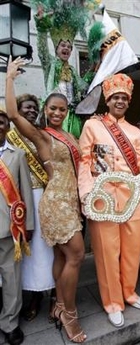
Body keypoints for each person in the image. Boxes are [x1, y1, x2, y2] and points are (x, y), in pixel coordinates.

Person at [5, 57, 86, 344]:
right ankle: (69, 313)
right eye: (52, 108)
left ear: (66, 112)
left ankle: (59, 304)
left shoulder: (68, 134)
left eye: (62, 109)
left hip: (72, 202)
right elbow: (13, 114)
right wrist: (10, 77)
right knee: (76, 254)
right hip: (55, 202)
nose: (57, 113)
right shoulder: (42, 137)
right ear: (45, 110)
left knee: (63, 256)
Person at [78, 73, 140, 328]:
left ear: (128, 101)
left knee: (133, 249)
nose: (120, 101)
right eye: (116, 97)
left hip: (132, 197)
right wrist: (87, 194)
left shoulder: (135, 131)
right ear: (108, 100)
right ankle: (112, 301)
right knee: (107, 252)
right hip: (103, 198)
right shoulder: (93, 126)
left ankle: (129, 292)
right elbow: (85, 162)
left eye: (124, 98)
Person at [6, 94, 55, 322]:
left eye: (36, 107)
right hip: (18, 200)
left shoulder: (41, 133)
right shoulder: (10, 135)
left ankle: (53, 291)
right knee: (30, 251)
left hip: (44, 197)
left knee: (48, 247)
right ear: (18, 109)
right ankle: (33, 294)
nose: (33, 110)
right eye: (28, 107)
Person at [31, 0, 100, 138]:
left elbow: (82, 86)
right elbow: (42, 50)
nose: (66, 48)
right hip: (54, 114)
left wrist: (93, 68)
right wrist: (42, 29)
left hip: (71, 116)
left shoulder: (73, 71)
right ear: (56, 48)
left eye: (69, 47)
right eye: (63, 45)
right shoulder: (50, 64)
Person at [0, 110, 34, 345]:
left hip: (8, 230)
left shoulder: (18, 155)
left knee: (11, 277)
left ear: (7, 127)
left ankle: (10, 323)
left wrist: (28, 225)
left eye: (1, 121)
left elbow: (26, 193)